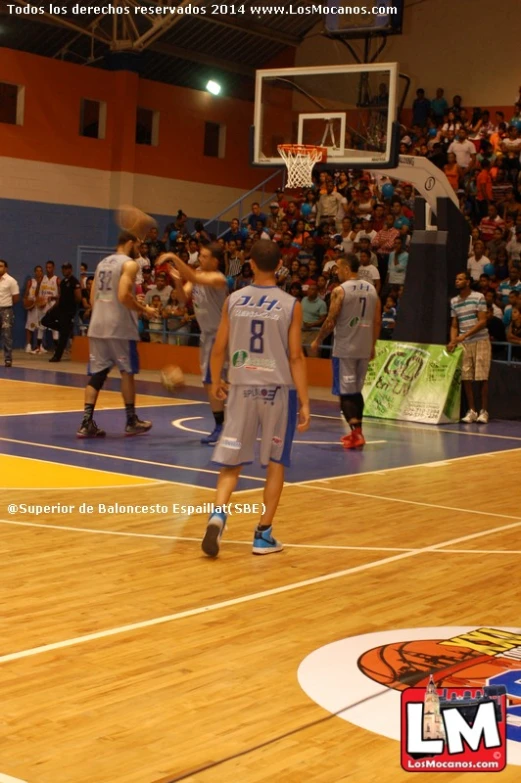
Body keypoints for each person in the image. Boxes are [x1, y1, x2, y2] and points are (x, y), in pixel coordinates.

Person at [200, 240, 310, 558]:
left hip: (241, 388)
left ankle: (218, 514)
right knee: (276, 463)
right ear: (279, 266)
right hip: (278, 392)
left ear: (250, 264)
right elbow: (296, 356)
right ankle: (263, 535)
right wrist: (304, 401)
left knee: (231, 461)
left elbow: (218, 347)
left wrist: (215, 380)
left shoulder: (234, 300)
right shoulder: (291, 304)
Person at [76, 230, 160, 438]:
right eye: (138, 245)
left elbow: (94, 298)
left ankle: (86, 423)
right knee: (127, 371)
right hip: (119, 327)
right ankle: (131, 420)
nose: (140, 250)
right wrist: (144, 309)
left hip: (98, 325)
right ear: (130, 243)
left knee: (97, 374)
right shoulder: (130, 264)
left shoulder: (102, 263)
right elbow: (123, 295)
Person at [310, 254, 381, 450]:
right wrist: (373, 345)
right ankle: (357, 432)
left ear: (347, 269)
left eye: (338, 268)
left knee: (345, 393)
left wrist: (318, 339)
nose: (336, 272)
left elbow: (331, 320)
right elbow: (377, 321)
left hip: (345, 349)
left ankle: (356, 433)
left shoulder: (340, 291)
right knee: (356, 391)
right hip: (364, 348)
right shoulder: (372, 290)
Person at [163, 243, 229, 445]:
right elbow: (183, 298)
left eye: (204, 255)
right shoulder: (198, 273)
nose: (200, 258)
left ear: (215, 261)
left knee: (216, 382)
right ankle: (224, 425)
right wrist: (176, 282)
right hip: (207, 336)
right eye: (200, 255)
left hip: (222, 336)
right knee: (213, 383)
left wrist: (173, 255)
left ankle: (224, 426)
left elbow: (192, 277)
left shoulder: (218, 279)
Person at [448, 271, 490, 424]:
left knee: (481, 377)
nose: (457, 281)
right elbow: (454, 324)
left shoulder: (479, 297)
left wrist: (464, 336)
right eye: (456, 279)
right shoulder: (454, 301)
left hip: (480, 340)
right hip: (464, 343)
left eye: (460, 279)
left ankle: (484, 411)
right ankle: (472, 410)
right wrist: (453, 341)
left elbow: (482, 321)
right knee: (466, 377)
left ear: (468, 282)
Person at [43, 263, 81, 363]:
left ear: (70, 270)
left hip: (68, 311)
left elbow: (78, 297)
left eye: (66, 269)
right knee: (45, 320)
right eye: (63, 268)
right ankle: (64, 329)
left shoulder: (74, 282)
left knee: (63, 337)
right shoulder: (63, 282)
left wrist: (72, 307)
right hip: (60, 309)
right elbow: (60, 296)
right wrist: (52, 308)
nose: (64, 270)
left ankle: (57, 356)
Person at [0, 259, 20, 368]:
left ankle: (8, 359)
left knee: (7, 335)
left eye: (1, 266)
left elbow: (16, 297)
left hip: (6, 310)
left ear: (6, 268)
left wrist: (6, 304)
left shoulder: (11, 281)